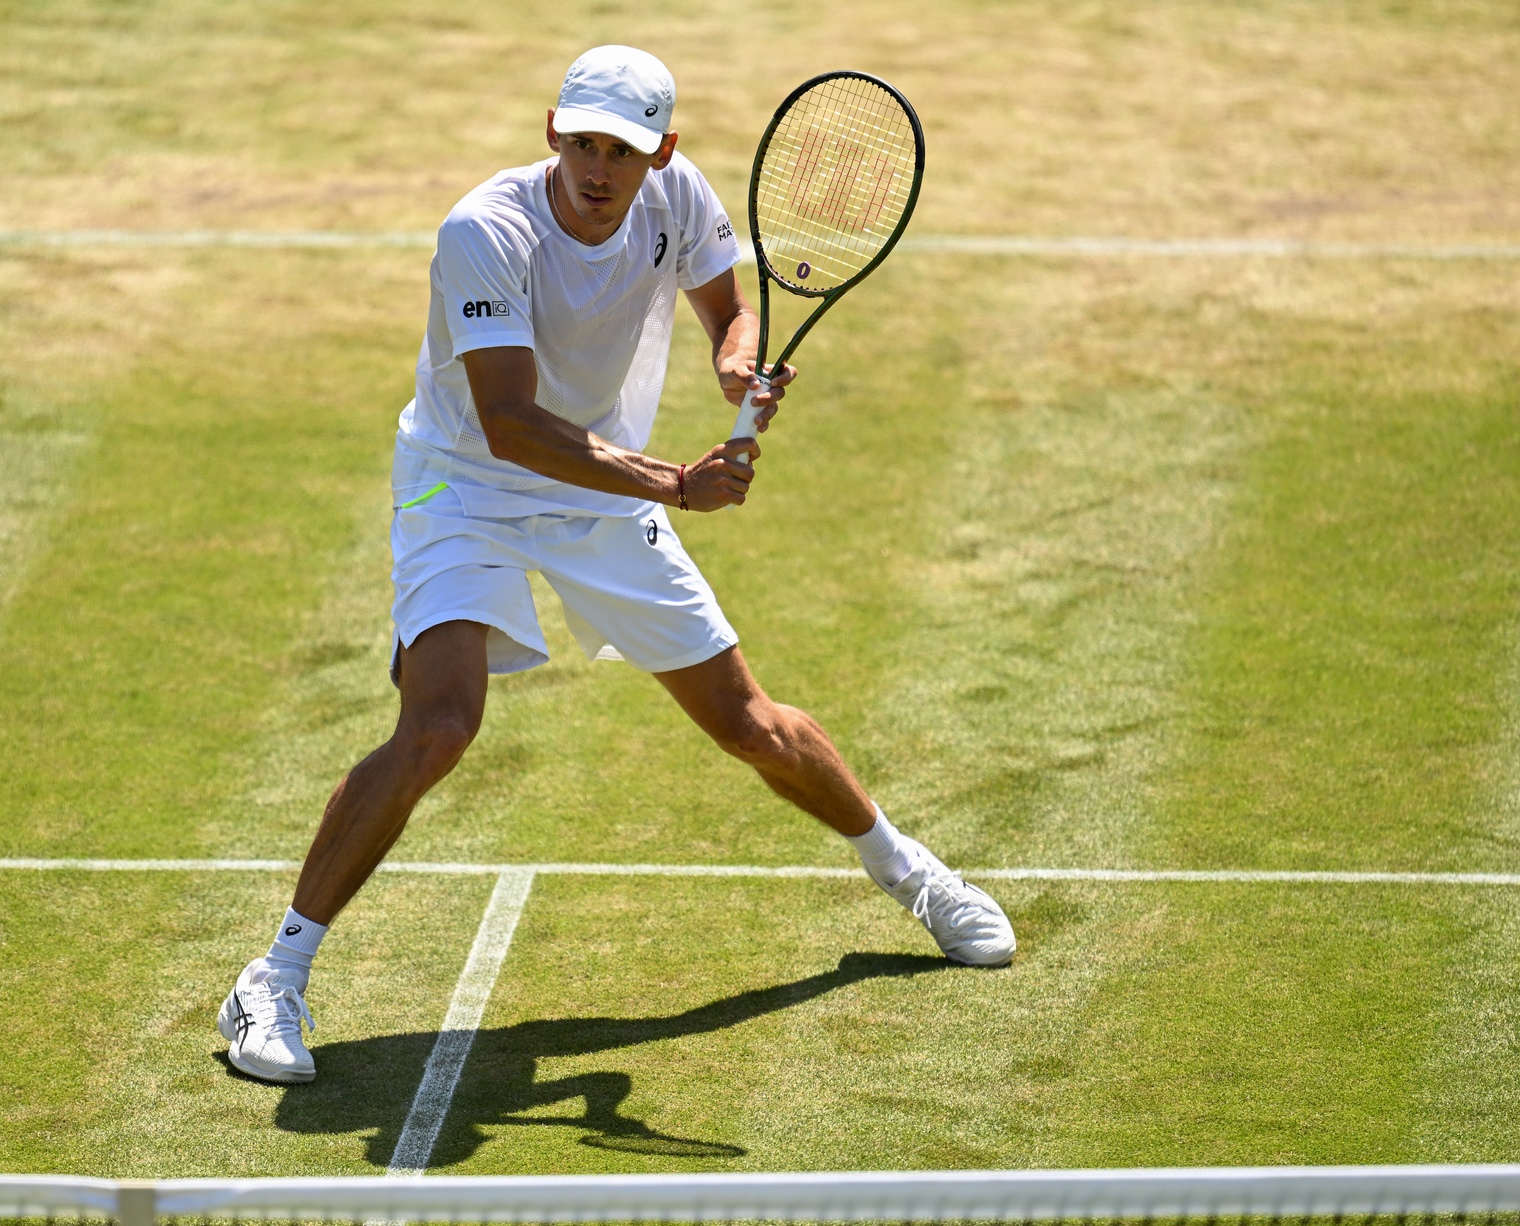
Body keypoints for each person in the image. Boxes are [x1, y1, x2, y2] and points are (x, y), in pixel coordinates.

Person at [219, 45, 1014, 1085]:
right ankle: (271, 980)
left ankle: (913, 876)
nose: (599, 168)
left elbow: (730, 313)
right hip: (463, 486)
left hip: (598, 495)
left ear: (661, 152)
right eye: (583, 142)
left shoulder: (675, 197)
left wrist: (735, 357)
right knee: (439, 724)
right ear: (552, 130)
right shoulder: (484, 230)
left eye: (624, 150)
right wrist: (673, 484)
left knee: (744, 719)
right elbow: (506, 422)